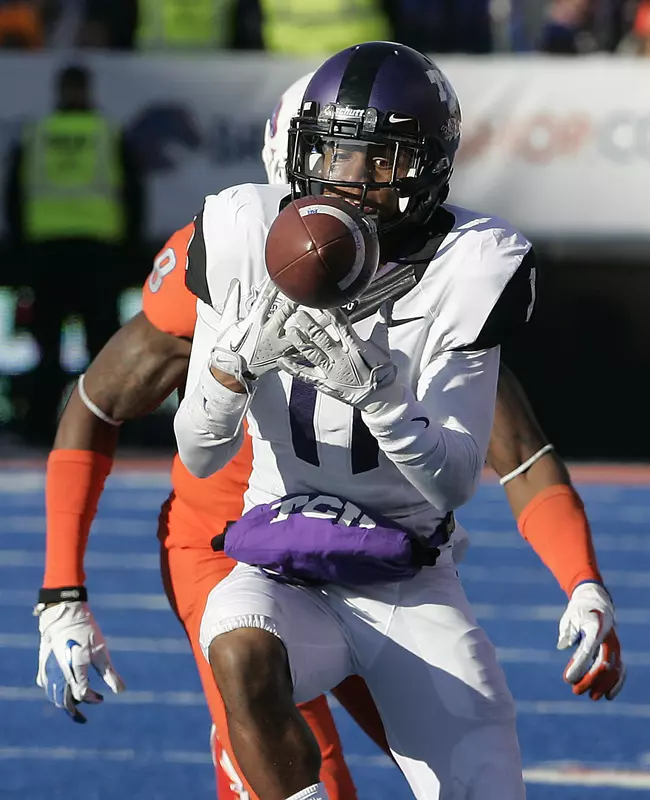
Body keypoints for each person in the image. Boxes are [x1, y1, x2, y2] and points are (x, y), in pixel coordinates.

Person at [34, 58, 625, 800]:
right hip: (234, 547)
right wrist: (61, 589)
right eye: (334, 156)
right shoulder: (238, 247)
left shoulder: (455, 277)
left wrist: (582, 579)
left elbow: (512, 451)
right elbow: (98, 406)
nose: (349, 184)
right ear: (292, 164)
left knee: (472, 778)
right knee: (299, 765)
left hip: (387, 554)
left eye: (377, 160)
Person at [3, 63, 144, 443]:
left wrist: (22, 253)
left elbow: (14, 198)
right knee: (104, 350)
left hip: (49, 254)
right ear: (85, 90)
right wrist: (127, 251)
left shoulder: (37, 134)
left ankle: (39, 427)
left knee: (47, 347)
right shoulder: (106, 133)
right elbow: (132, 195)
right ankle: (113, 427)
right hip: (95, 253)